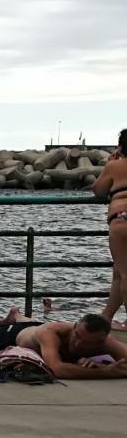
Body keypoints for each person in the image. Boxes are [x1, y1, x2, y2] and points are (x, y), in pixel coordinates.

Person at [0, 309, 127, 379]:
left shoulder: (106, 341)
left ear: (100, 342)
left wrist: (103, 365)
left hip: (38, 327)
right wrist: (106, 371)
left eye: (86, 343)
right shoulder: (51, 333)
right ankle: (12, 320)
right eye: (76, 336)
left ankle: (16, 315)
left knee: (36, 325)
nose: (77, 344)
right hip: (18, 335)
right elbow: (56, 369)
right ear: (74, 327)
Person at [94, 133, 127, 329]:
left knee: (124, 272)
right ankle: (106, 317)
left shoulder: (115, 166)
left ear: (121, 147)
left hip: (122, 219)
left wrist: (111, 162)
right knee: (119, 272)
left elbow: (98, 190)